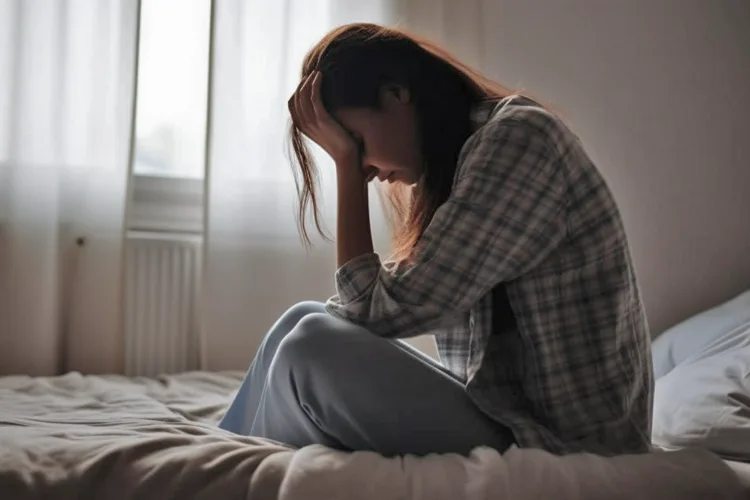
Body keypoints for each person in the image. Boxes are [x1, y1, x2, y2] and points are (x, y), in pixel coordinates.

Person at [219, 22, 654, 458]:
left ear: (397, 93)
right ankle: (225, 457)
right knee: (300, 320)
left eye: (353, 141)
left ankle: (236, 470)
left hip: (570, 446)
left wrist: (346, 168)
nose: (366, 170)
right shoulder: (462, 164)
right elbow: (369, 309)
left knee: (310, 346)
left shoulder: (519, 139)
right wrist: (352, 154)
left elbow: (377, 312)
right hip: (508, 418)